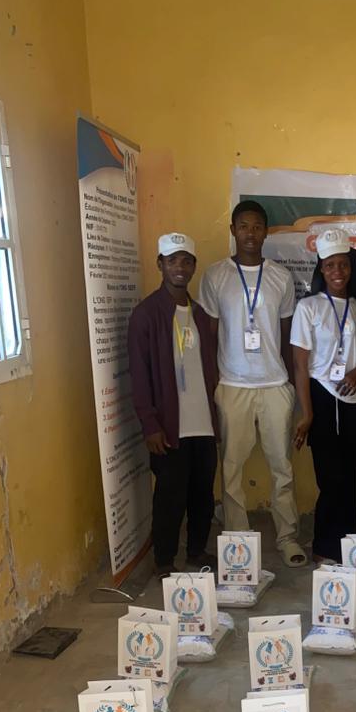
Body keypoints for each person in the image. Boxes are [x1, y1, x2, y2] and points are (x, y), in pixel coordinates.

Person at [199, 200, 307, 567]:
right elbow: (210, 334)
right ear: (233, 230)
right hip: (232, 385)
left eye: (257, 226)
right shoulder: (215, 276)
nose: (250, 233)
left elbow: (288, 332)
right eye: (243, 226)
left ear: (266, 231)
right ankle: (239, 543)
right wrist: (213, 387)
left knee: (282, 468)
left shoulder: (279, 277)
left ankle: (288, 536)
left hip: (274, 384)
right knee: (230, 468)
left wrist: (291, 386)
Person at [127, 232, 219, 579]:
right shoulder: (146, 315)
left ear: (193, 266)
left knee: (202, 495)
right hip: (169, 426)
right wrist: (150, 424)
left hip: (203, 423)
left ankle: (196, 551)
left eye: (186, 261)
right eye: (172, 261)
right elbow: (139, 375)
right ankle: (164, 560)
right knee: (169, 497)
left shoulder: (200, 313)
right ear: (160, 265)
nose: (179, 267)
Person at [291, 229, 356, 563]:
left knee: (352, 478)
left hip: (354, 402)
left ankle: (348, 547)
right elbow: (300, 365)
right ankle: (325, 547)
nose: (338, 271)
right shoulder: (308, 308)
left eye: (344, 265)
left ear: (351, 270)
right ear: (321, 269)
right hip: (322, 400)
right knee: (330, 479)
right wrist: (307, 415)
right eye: (330, 265)